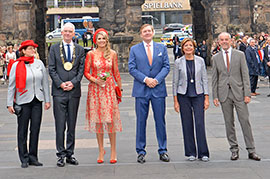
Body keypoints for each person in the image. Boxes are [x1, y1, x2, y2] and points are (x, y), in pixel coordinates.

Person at [212, 32, 261, 161]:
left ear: (231, 41)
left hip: (239, 92)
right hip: (224, 94)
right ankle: (234, 150)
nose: (224, 42)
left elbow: (245, 75)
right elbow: (215, 79)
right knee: (229, 123)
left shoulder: (240, 55)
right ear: (219, 42)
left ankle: (251, 150)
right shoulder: (215, 58)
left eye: (226, 39)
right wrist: (215, 96)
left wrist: (247, 93)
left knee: (245, 121)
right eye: (222, 40)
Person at [128, 24, 170, 164]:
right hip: (141, 89)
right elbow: (132, 68)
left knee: (160, 121)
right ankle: (140, 151)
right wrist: (146, 80)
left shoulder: (162, 48)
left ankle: (163, 150)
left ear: (153, 33)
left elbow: (166, 66)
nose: (147, 33)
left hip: (158, 89)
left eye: (149, 31)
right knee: (141, 121)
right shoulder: (134, 49)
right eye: (144, 31)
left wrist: (156, 80)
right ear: (141, 34)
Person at [7, 40, 51, 168]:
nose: (33, 51)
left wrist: (47, 100)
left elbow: (44, 83)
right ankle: (24, 158)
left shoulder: (39, 63)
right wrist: (10, 103)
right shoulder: (17, 65)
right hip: (23, 100)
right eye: (30, 49)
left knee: (35, 129)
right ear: (24, 51)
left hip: (37, 99)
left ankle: (33, 156)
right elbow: (12, 85)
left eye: (34, 49)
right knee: (22, 130)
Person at [48, 22, 85, 167]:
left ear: (74, 33)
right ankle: (60, 154)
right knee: (60, 124)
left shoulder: (80, 49)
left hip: (74, 91)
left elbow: (80, 70)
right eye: (66, 31)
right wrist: (61, 83)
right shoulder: (54, 48)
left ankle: (70, 153)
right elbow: (51, 69)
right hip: (59, 91)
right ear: (61, 33)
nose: (68, 34)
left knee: (71, 124)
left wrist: (73, 83)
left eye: (70, 31)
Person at [84, 28, 122, 164]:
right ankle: (101, 150)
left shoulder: (112, 54)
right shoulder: (91, 54)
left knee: (110, 119)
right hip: (95, 89)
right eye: (99, 38)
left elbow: (116, 72)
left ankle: (113, 150)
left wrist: (120, 88)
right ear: (95, 40)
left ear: (107, 40)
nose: (101, 41)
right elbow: (86, 72)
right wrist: (95, 80)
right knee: (98, 120)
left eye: (103, 38)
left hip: (109, 89)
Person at [172, 38, 210, 162]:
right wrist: (175, 101)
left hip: (198, 94)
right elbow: (175, 82)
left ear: (194, 48)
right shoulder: (178, 62)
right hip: (183, 95)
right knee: (187, 124)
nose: (188, 48)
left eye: (190, 46)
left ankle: (203, 152)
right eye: (186, 46)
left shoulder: (200, 61)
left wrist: (206, 97)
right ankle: (190, 152)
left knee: (199, 123)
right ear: (182, 48)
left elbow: (204, 79)